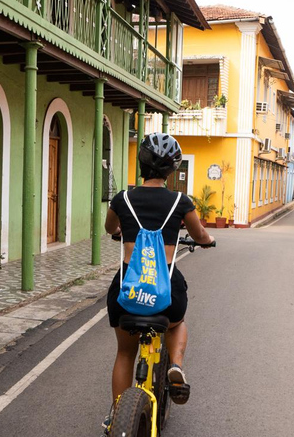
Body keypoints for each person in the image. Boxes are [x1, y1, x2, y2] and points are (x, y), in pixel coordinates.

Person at [104, 133, 214, 412]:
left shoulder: (122, 199)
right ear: (171, 169)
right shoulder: (180, 202)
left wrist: (121, 232)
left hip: (126, 290)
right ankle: (175, 365)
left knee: (125, 352)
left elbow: (110, 228)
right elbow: (199, 235)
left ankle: (118, 415)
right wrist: (208, 241)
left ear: (141, 163)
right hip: (165, 289)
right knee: (177, 323)